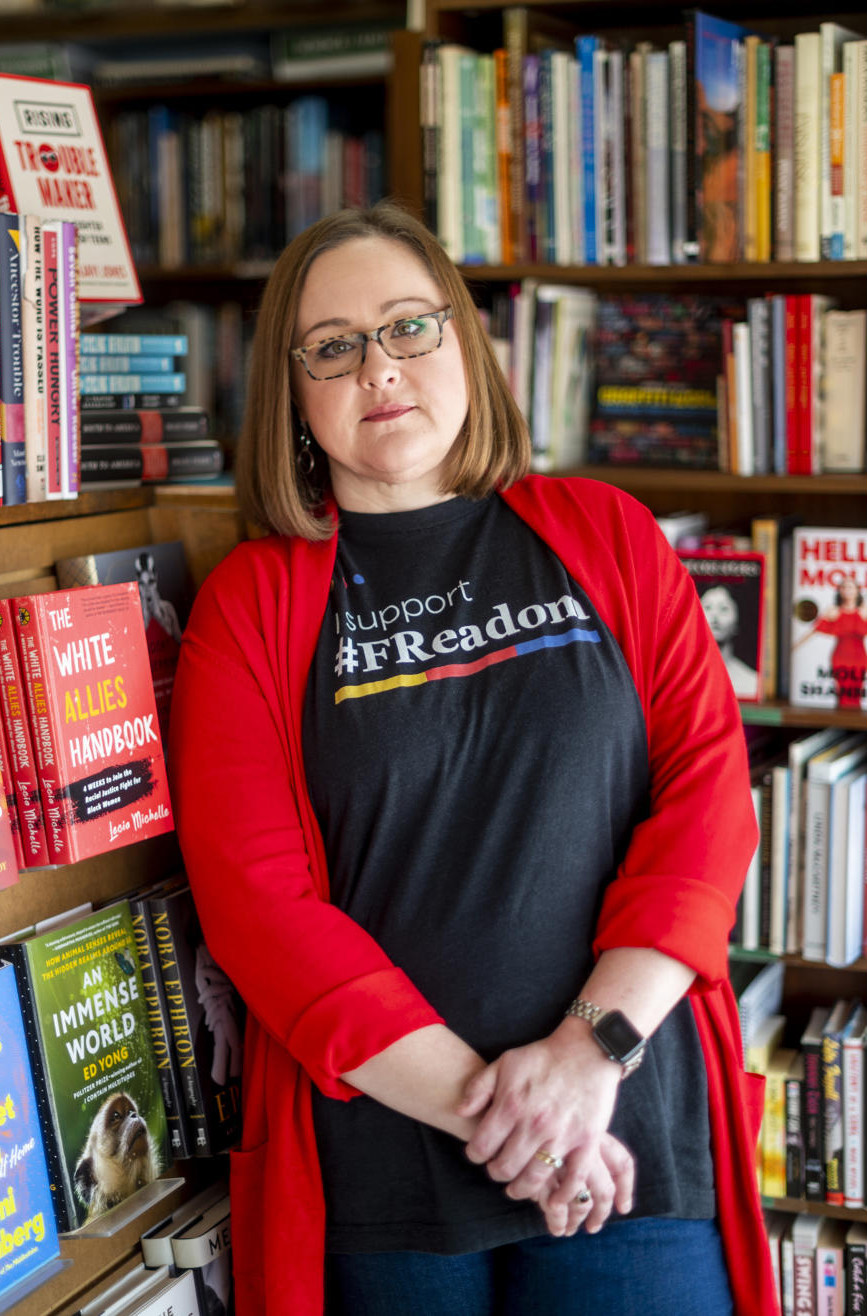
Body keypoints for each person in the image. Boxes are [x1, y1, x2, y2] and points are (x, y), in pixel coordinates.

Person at [168, 202, 775, 1316]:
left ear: (464, 343)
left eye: (409, 326)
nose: (379, 368)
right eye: (334, 346)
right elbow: (260, 907)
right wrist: (510, 1119)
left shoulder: (604, 532)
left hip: (630, 1134)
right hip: (391, 1175)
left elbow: (708, 805)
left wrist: (586, 1061)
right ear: (294, 392)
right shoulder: (252, 606)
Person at [792, 575, 867, 709]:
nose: (847, 590)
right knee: (842, 694)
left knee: (857, 692)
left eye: (850, 587)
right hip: (840, 656)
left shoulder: (864, 611)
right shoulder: (833, 611)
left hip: (859, 657)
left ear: (857, 590)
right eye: (843, 587)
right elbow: (814, 630)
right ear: (840, 591)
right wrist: (793, 647)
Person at [698, 584, 760, 700]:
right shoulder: (677, 676)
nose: (715, 616)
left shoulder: (752, 682)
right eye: (707, 607)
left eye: (724, 609)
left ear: (737, 622)